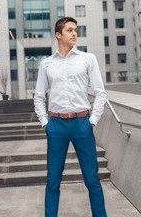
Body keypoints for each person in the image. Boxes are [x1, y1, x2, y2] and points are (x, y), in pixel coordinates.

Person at [34, 17, 107, 217]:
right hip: (56, 125)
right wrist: (44, 123)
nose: (74, 33)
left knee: (92, 179)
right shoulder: (46, 64)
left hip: (82, 123)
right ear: (58, 35)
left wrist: (92, 121)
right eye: (69, 30)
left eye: (76, 30)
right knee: (53, 181)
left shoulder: (87, 59)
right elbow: (39, 96)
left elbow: (100, 93)